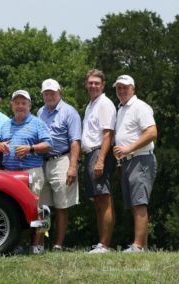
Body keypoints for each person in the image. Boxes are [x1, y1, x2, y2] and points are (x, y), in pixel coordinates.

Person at [0, 90, 52, 254]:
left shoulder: (37, 123)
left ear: (29, 105)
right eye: (17, 103)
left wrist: (30, 148)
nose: (20, 106)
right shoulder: (6, 124)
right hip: (10, 174)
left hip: (31, 173)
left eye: (23, 103)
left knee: (38, 210)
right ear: (12, 105)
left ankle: (37, 246)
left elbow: (48, 145)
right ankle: (16, 245)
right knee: (13, 210)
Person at [35, 79, 82, 252]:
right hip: (42, 162)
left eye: (52, 93)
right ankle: (40, 244)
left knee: (62, 205)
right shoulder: (40, 112)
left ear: (59, 93)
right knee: (43, 207)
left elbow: (75, 141)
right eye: (46, 93)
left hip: (62, 159)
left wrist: (72, 166)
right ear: (42, 95)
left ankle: (57, 245)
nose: (49, 96)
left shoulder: (69, 112)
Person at [112, 75, 157, 253]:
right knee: (134, 203)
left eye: (125, 87)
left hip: (141, 159)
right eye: (119, 88)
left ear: (133, 89)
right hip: (128, 161)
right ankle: (142, 246)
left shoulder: (140, 107)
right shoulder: (121, 108)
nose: (122, 91)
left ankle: (138, 246)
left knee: (139, 202)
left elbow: (152, 133)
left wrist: (128, 148)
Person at [81, 69, 117, 254]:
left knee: (104, 199)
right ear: (86, 84)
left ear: (103, 85)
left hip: (99, 153)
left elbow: (108, 134)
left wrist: (101, 160)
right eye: (91, 82)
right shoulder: (91, 104)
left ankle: (105, 244)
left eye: (97, 83)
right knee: (98, 200)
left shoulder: (105, 104)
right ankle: (101, 243)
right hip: (91, 154)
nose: (93, 85)